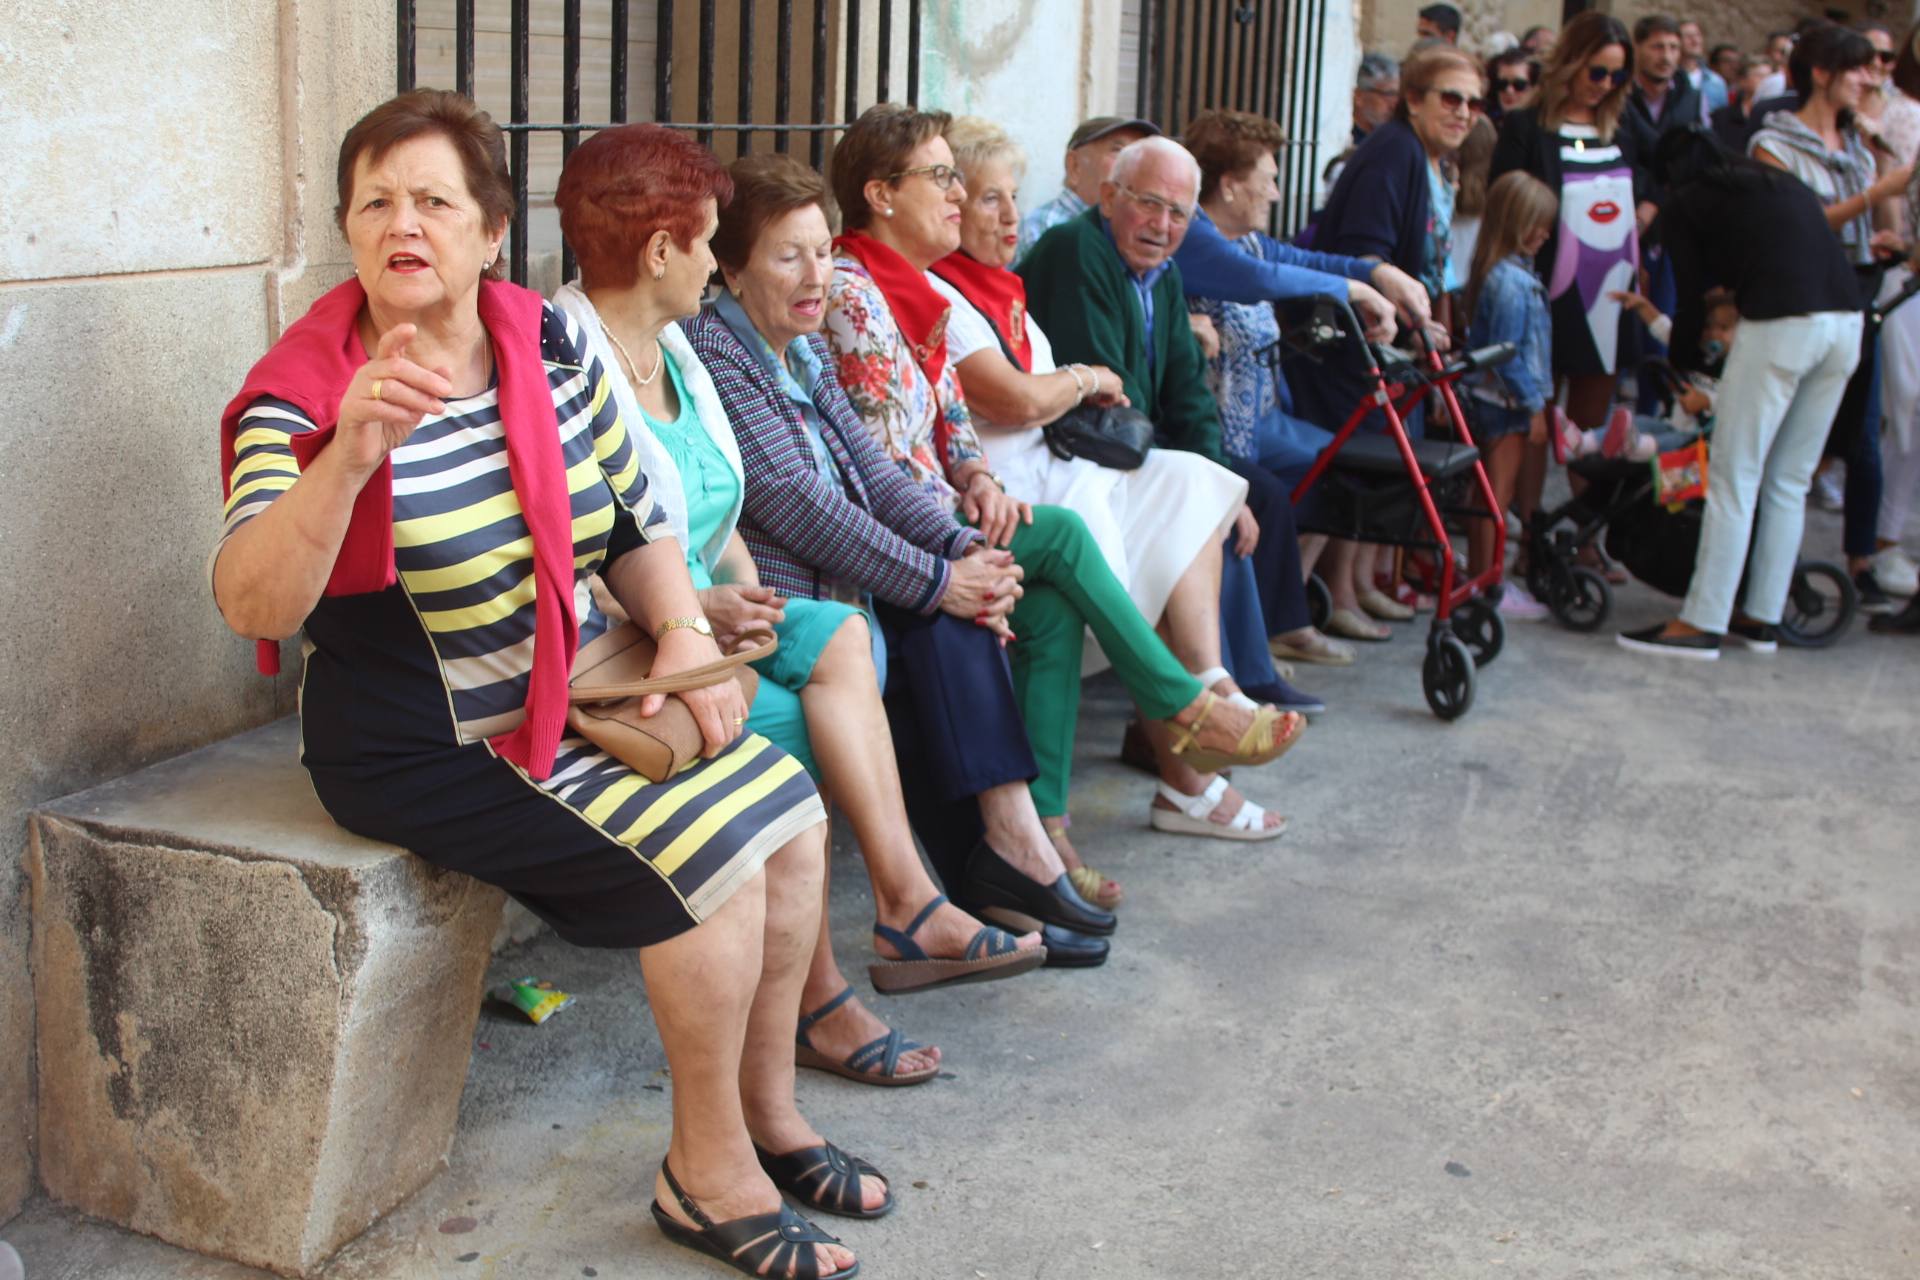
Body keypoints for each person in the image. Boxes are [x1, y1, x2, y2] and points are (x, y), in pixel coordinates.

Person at [214, 90, 872, 1279]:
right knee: (707, 861)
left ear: (488, 231)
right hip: (432, 735)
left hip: (571, 690)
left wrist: (677, 628)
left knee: (789, 808)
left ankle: (773, 1114)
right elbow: (252, 599)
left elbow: (625, 511)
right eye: (375, 202)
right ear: (350, 231)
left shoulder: (540, 339)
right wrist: (346, 461)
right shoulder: (305, 390)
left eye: (432, 199)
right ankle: (704, 1173)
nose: (400, 222)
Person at [550, 126, 1047, 1095]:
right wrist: (689, 610)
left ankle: (908, 895)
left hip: (709, 610)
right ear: (674, 254)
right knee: (781, 740)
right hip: (635, 639)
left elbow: (733, 505)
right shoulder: (578, 353)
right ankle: (821, 999)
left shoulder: (679, 352)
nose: (823, 272)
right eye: (708, 242)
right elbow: (585, 542)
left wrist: (739, 596)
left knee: (846, 635)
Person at [820, 109, 1304, 866]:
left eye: (967, 182)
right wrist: (965, 521)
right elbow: (889, 466)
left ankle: (1048, 834)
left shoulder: (920, 288)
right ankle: (1179, 708)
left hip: (974, 503)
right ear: (881, 195)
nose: (981, 205)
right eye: (949, 181)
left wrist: (975, 477)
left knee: (1062, 596)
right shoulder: (856, 292)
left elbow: (947, 427)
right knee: (1072, 540)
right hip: (904, 542)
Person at [1170, 109, 1436, 641]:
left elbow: (1304, 260)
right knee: (1313, 477)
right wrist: (1358, 291)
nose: (1274, 192)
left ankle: (1298, 605)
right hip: (1213, 427)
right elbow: (1256, 279)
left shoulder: (1241, 239)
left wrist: (1375, 272)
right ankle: (1277, 623)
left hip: (1263, 418)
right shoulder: (1194, 237)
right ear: (1230, 186)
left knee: (1346, 465)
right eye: (1268, 179)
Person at [1617, 126, 1866, 659]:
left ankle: (1701, 622)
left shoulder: (1687, 202)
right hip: (1847, 324)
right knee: (1788, 479)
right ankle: (1762, 616)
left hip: (1781, 323)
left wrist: (1683, 365)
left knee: (1734, 476)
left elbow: (1689, 304)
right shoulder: (1777, 183)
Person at [1751, 23, 1913, 612]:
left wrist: (1880, 234)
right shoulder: (1777, 141)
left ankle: (1856, 561)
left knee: (1862, 439)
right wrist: (1874, 195)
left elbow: (1859, 222)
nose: (1871, 80)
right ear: (1822, 73)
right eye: (1859, 69)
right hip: (1802, 307)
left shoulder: (1857, 143)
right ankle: (1769, 578)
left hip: (1856, 302)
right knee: (1784, 455)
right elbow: (1798, 224)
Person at [1491, 12, 1655, 430]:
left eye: (1617, 77)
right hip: (1547, 286)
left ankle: (1586, 496)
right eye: (1597, 72)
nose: (1605, 85)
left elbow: (1666, 167)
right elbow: (1504, 198)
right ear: (1571, 62)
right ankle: (1527, 500)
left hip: (1610, 291)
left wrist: (1649, 208)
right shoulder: (1527, 125)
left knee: (1590, 425)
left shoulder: (1623, 122)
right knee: (1536, 420)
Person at [1461, 171, 1558, 619]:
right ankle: (1491, 585)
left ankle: (1486, 579)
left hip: (1497, 402)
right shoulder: (1511, 281)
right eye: (1536, 223)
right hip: (1505, 405)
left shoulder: (1499, 273)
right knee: (1494, 501)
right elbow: (1504, 355)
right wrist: (1534, 405)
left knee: (1489, 499)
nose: (1544, 234)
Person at [1016, 115, 1159, 264]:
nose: (1133, 164)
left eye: (1139, 155)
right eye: (1118, 151)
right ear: (1075, 166)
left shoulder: (1134, 232)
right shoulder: (1046, 227)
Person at [1323, 53, 1402, 200]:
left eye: (1398, 96)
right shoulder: (1339, 139)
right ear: (1359, 96)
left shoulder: (1395, 141)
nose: (1394, 104)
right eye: (1388, 94)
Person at [1711, 56, 1774, 152]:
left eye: (1770, 77)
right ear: (1742, 80)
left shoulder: (1776, 117)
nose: (1767, 81)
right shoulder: (1721, 117)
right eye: (1760, 76)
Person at [1678, 19, 1728, 114]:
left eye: (1698, 35)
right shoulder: (1667, 80)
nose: (1695, 41)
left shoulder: (1716, 82)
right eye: (1688, 36)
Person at [1484, 49, 1539, 125]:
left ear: (1534, 88)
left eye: (1519, 85)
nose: (1509, 90)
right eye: (1502, 84)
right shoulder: (1484, 124)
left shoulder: (1543, 128)